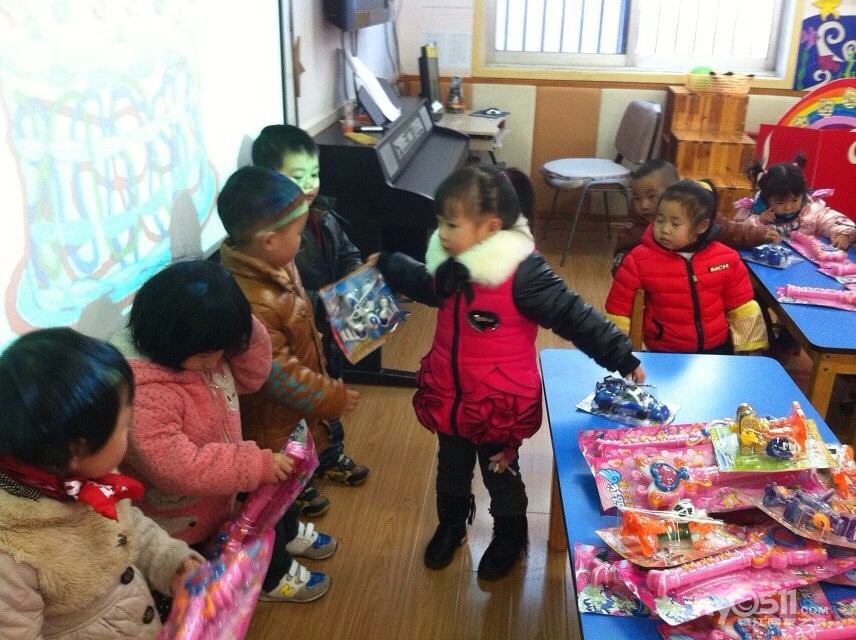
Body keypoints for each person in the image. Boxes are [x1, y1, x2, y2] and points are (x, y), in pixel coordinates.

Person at [374, 166, 645, 581]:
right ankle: (451, 525)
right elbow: (426, 285)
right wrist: (390, 264)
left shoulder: (522, 271)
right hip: (449, 394)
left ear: (490, 227)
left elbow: (573, 314)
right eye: (440, 222)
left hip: (496, 404)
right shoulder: (450, 264)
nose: (441, 234)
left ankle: (510, 536)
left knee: (499, 473)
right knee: (450, 467)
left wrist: (621, 355)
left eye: (451, 225)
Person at [114, 260, 337, 603]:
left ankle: (280, 545)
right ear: (170, 339)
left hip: (221, 491)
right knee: (216, 570)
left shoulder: (200, 353)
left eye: (224, 349)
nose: (217, 360)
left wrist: (242, 326)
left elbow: (252, 377)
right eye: (208, 354)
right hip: (180, 521)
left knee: (268, 510)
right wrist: (253, 465)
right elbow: (179, 468)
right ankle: (268, 579)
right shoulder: (145, 391)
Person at [0, 328, 202, 638]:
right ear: (76, 449)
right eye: (125, 425)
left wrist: (172, 561)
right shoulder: (13, 552)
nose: (131, 432)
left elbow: (126, 526)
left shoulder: (86, 477)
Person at [215, 167, 360, 518]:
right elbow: (278, 375)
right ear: (268, 241)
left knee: (298, 466)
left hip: (297, 405)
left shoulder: (275, 262)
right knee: (276, 492)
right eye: (297, 234)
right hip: (272, 419)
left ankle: (296, 508)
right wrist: (332, 397)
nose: (302, 241)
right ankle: (285, 537)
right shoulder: (253, 301)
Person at [252, 124, 369, 509]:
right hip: (298, 334)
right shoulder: (271, 237)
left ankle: (330, 455)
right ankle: (298, 477)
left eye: (314, 174)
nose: (309, 184)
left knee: (328, 389)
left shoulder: (322, 215)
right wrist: (330, 302)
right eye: (296, 176)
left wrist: (354, 280)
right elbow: (288, 296)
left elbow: (348, 252)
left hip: (327, 330)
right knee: (297, 406)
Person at [606, 180, 769, 354]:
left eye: (675, 224)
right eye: (660, 220)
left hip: (716, 348)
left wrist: (749, 351)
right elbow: (619, 310)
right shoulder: (638, 260)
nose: (665, 229)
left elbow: (741, 306)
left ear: (701, 226)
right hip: (666, 350)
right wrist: (617, 352)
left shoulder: (726, 259)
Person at [613, 160, 779, 275]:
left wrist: (760, 234)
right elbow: (619, 265)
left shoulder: (696, 215)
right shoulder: (634, 230)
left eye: (651, 196)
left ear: (674, 190)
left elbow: (729, 230)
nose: (643, 205)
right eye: (637, 198)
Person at [733, 157, 856, 249]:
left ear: (802, 194)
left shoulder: (809, 210)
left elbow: (830, 219)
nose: (788, 207)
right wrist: (760, 221)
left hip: (803, 267)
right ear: (766, 199)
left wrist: (843, 233)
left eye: (795, 200)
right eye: (780, 202)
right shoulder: (757, 211)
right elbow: (742, 232)